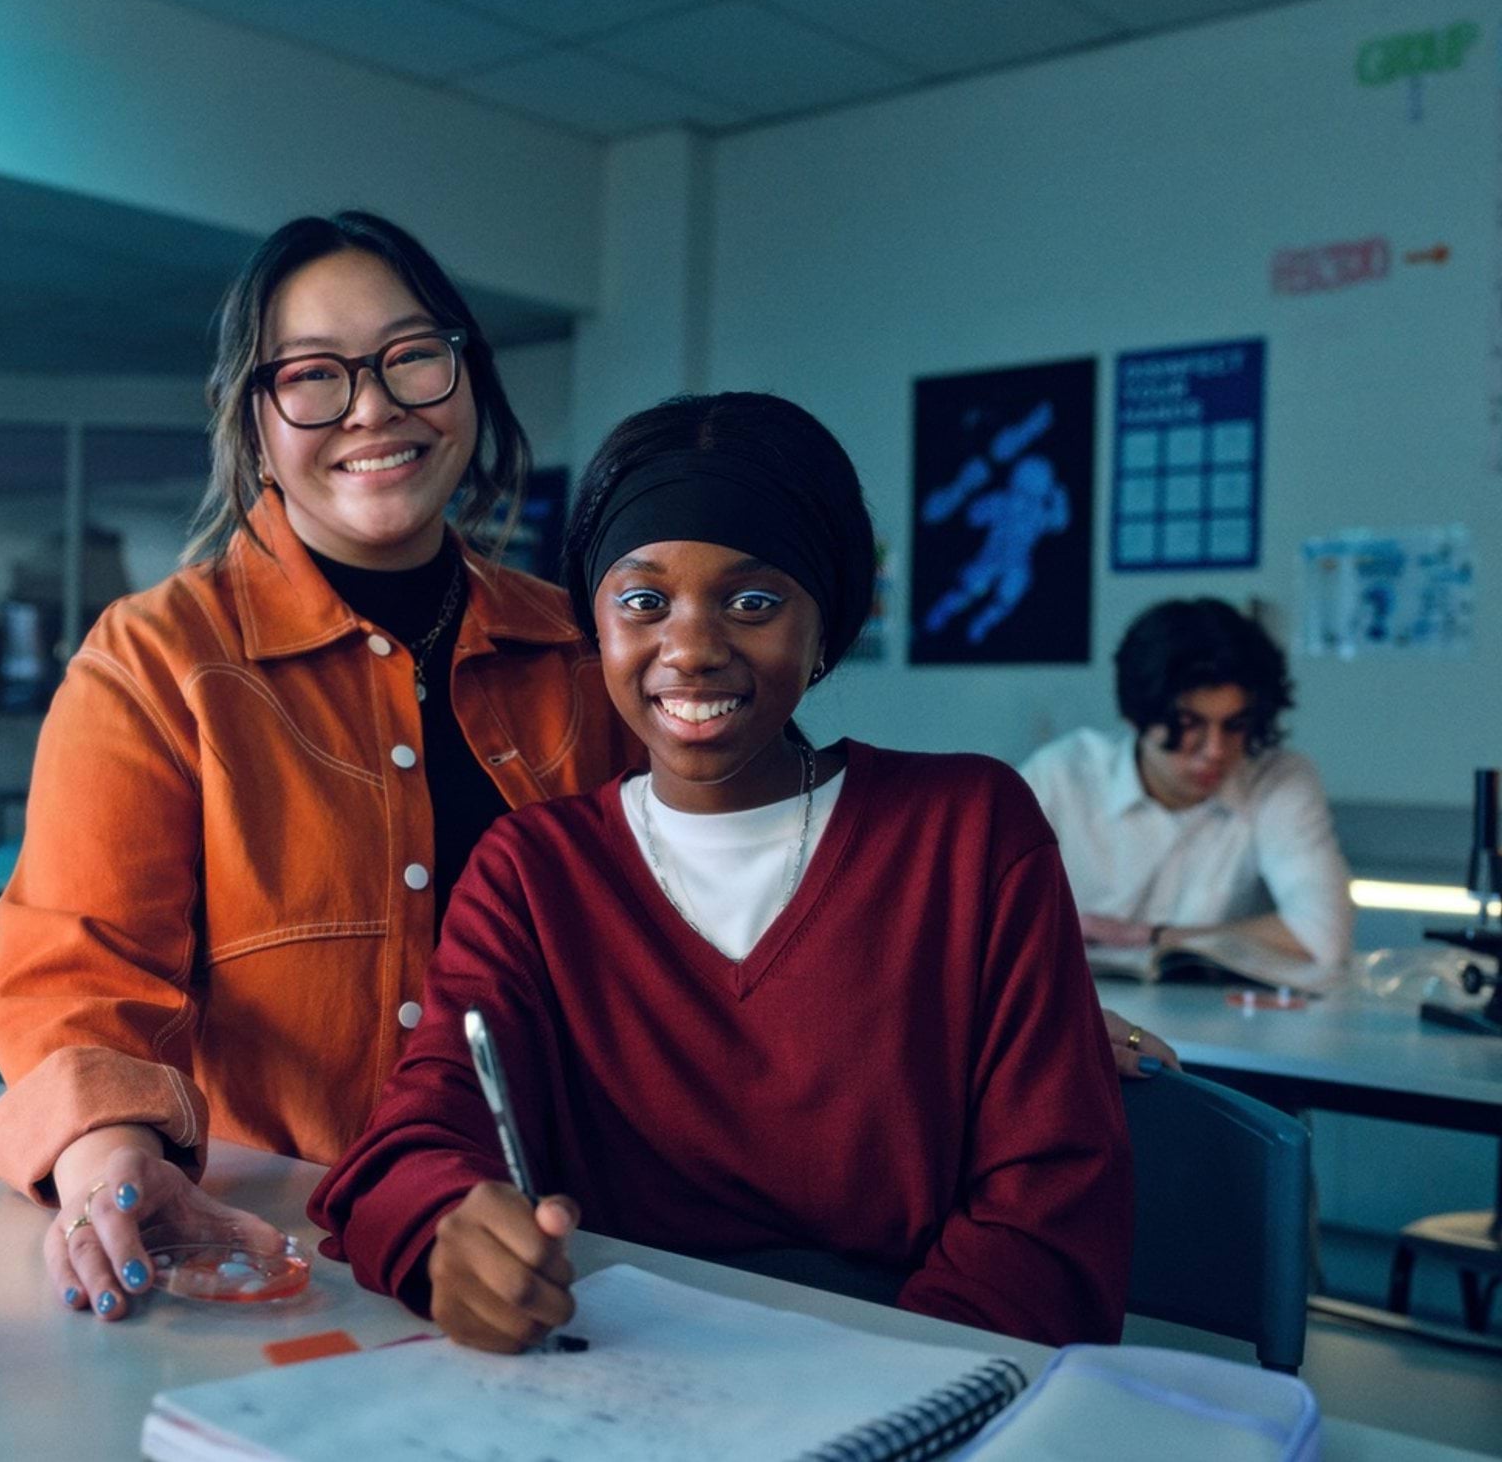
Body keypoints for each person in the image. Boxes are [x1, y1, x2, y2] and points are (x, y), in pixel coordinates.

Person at [310, 392, 1132, 1351]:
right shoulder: (535, 872)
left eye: (753, 601)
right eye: (643, 602)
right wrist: (448, 1231)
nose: (691, 649)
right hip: (622, 1373)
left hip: (907, 1380)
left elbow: (1052, 1214)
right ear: (597, 630)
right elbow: (416, 1136)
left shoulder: (969, 832)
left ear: (827, 625)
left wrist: (881, 1400)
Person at [0, 212, 635, 1322]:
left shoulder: (582, 650)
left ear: (466, 374)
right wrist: (108, 1157)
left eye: (411, 357)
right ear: (254, 415)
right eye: (314, 376)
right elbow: (78, 985)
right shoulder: (156, 661)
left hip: (569, 1254)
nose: (373, 406)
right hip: (286, 1262)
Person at [1020, 597, 1353, 980]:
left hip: (1215, 1021)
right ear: (1137, 715)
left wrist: (1147, 936)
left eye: (1235, 725)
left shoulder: (1277, 779)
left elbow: (1323, 934)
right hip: (1067, 1011)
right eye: (1188, 724)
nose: (1214, 751)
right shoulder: (1062, 776)